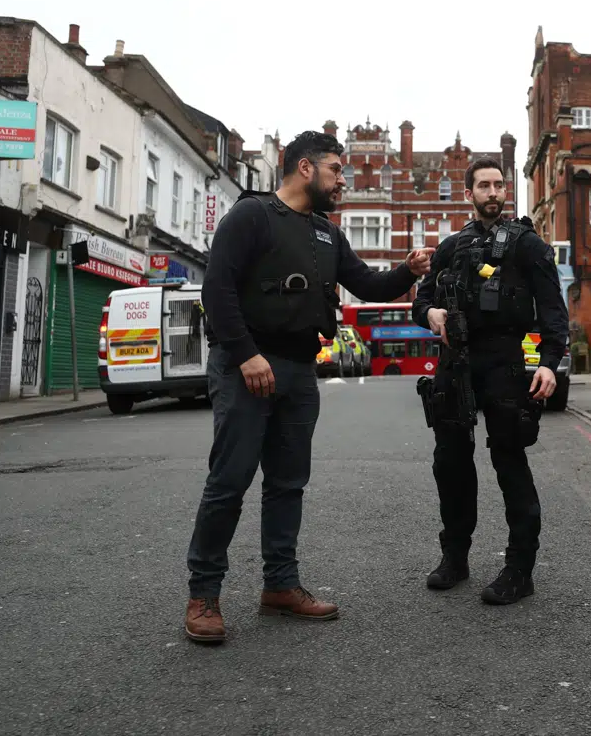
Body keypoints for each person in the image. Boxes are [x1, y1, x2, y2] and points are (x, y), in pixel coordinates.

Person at [183, 129, 433, 644]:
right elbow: (218, 289)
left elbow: (366, 284)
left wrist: (405, 271)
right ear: (304, 168)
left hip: (299, 369)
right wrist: (247, 354)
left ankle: (280, 586)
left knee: (288, 483)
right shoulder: (251, 216)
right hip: (247, 365)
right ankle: (203, 594)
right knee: (229, 481)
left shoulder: (325, 232)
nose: (343, 179)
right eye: (336, 170)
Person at [411, 158, 569, 605]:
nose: (494, 192)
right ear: (469, 194)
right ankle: (454, 558)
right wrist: (432, 313)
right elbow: (419, 302)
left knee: (509, 462)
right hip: (454, 364)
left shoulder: (528, 246)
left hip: (504, 361)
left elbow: (554, 312)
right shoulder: (449, 248)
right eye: (484, 185)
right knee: (451, 465)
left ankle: (520, 568)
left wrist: (548, 362)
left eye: (500, 184)